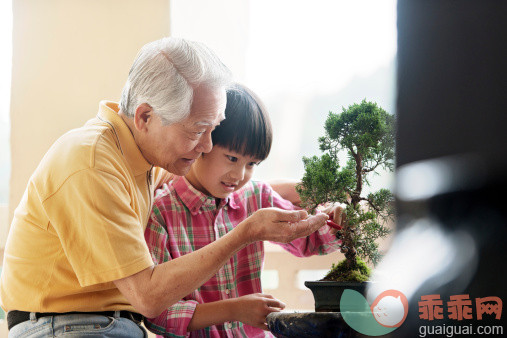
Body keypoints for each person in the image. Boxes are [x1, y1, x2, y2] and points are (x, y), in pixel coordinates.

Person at [0, 37, 329, 337]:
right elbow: (148, 296)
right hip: (64, 325)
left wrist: (292, 189)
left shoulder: (138, 158)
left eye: (213, 129)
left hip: (112, 324)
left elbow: (210, 185)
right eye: (198, 130)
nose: (206, 146)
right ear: (145, 117)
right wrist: (245, 232)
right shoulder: (93, 164)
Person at [144, 84, 344, 337]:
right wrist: (234, 310)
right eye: (232, 158)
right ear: (201, 143)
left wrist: (334, 215)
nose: (239, 175)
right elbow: (157, 314)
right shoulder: (162, 212)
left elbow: (312, 241)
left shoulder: (256, 197)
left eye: (251, 164)